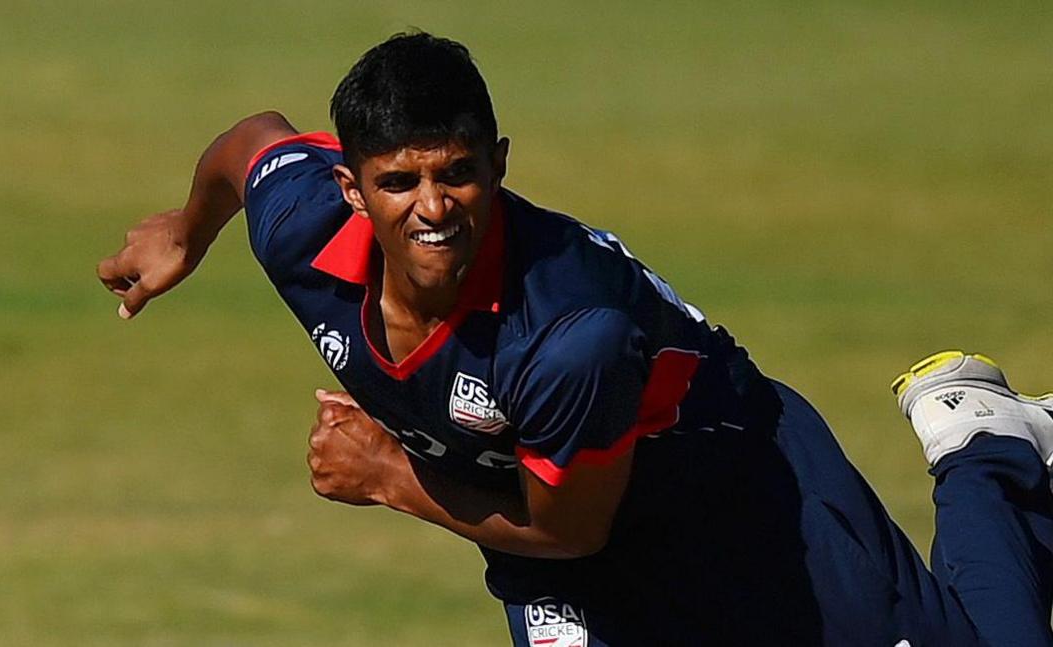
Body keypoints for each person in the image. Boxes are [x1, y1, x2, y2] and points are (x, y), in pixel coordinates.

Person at [97, 32, 1053, 646]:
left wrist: (389, 476)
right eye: (399, 183)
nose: (433, 208)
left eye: (459, 174)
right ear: (351, 187)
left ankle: (982, 444)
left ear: (499, 163)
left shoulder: (567, 331)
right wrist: (187, 229)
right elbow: (253, 140)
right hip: (567, 550)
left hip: (739, 492)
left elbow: (568, 525)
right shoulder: (303, 224)